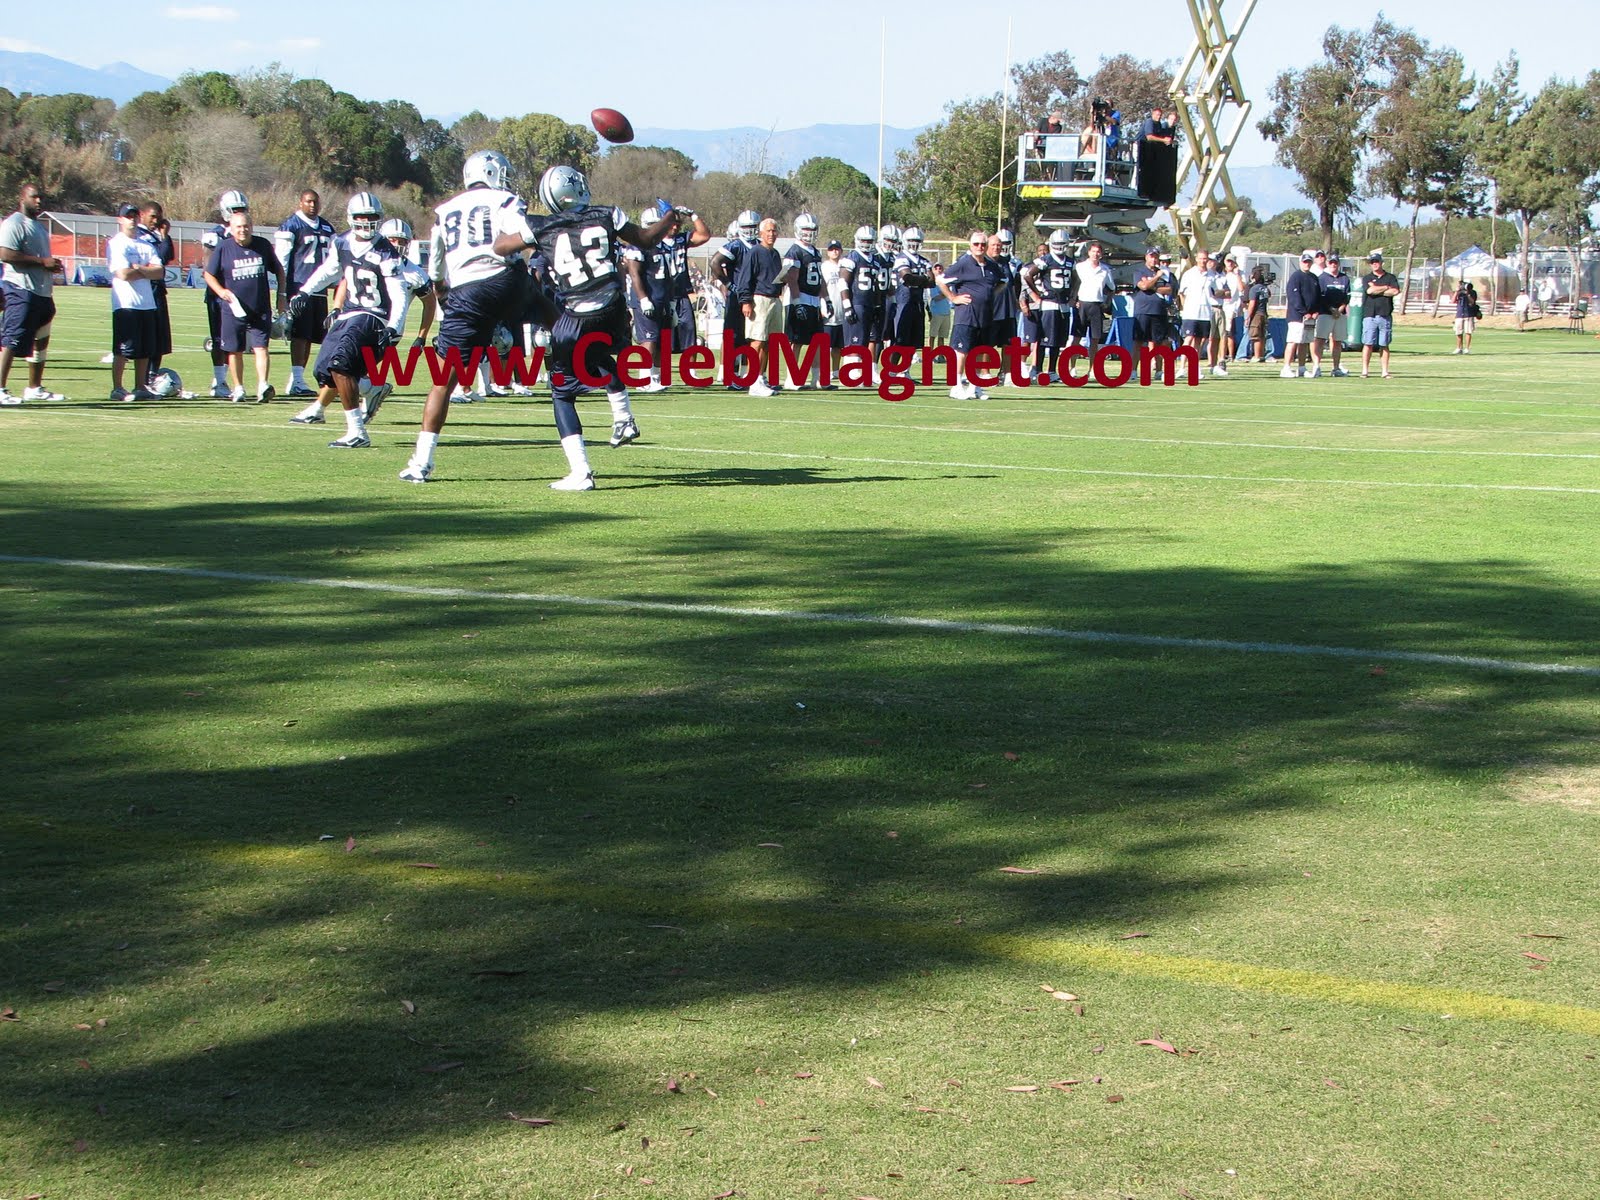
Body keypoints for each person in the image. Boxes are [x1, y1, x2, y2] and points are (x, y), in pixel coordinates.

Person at [492, 163, 682, 489]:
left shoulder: (540, 225)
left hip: (578, 313)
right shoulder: (607, 214)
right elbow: (647, 238)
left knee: (561, 393)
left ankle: (581, 472)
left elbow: (500, 247)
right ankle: (623, 418)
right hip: (613, 308)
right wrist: (670, 217)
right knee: (597, 356)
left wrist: (506, 223)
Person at [278, 192, 431, 448]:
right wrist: (305, 291)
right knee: (324, 371)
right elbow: (329, 271)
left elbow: (398, 294)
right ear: (351, 217)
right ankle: (370, 387)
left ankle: (357, 431)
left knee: (341, 366)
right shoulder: (342, 242)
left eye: (371, 217)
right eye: (361, 216)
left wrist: (393, 326)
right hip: (349, 313)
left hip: (373, 316)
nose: (366, 222)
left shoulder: (386, 251)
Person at [202, 210, 285, 403]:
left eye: (246, 226)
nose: (243, 230)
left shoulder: (262, 245)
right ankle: (238, 387)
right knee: (235, 350)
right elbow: (208, 274)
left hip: (259, 306)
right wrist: (221, 291)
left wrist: (281, 296)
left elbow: (279, 270)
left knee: (261, 347)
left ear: (252, 227)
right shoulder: (223, 248)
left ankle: (263, 385)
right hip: (233, 308)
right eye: (238, 226)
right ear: (231, 229)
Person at [0, 182, 65, 405]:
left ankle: (34, 388)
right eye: (34, 197)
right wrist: (42, 262)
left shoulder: (38, 226)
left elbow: (42, 260)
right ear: (22, 198)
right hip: (21, 289)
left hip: (42, 292)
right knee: (11, 338)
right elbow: (6, 254)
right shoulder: (14, 223)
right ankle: (0, 388)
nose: (38, 201)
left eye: (41, 198)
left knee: (41, 339)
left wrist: (51, 265)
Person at [275, 189, 337, 397]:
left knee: (311, 336)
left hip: (319, 289)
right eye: (309, 201)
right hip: (299, 287)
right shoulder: (291, 225)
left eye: (315, 202)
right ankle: (296, 379)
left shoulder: (327, 227)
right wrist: (282, 292)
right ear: (300, 202)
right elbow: (282, 261)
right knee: (300, 334)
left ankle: (298, 379)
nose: (312, 205)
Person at [106, 203, 165, 401]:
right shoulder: (117, 243)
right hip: (125, 304)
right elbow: (123, 274)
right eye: (127, 216)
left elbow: (160, 272)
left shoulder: (146, 244)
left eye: (134, 216)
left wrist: (138, 268)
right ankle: (117, 388)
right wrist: (146, 270)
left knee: (145, 350)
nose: (131, 220)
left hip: (146, 303)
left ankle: (140, 386)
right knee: (123, 349)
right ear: (120, 220)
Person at [199, 190, 251, 396]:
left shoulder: (245, 234)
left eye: (241, 209)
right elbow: (208, 267)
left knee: (236, 340)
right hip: (218, 294)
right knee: (219, 338)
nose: (238, 213)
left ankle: (231, 381)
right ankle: (219, 380)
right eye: (235, 209)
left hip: (240, 293)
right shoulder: (215, 235)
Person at [933, 230, 996, 400]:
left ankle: (974, 387)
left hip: (985, 315)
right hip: (966, 315)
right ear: (970, 245)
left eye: (983, 244)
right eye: (976, 244)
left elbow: (1002, 282)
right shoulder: (963, 264)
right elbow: (940, 280)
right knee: (961, 351)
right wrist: (953, 298)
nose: (979, 247)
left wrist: (988, 296)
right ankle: (956, 386)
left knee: (979, 351)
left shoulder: (991, 266)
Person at [734, 217, 786, 396]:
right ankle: (753, 380)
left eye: (774, 231)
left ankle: (761, 377)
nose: (771, 234)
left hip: (774, 299)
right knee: (757, 340)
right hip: (759, 300)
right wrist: (745, 301)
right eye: (768, 231)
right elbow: (745, 278)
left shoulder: (775, 254)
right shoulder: (755, 252)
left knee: (769, 342)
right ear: (761, 233)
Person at [1021, 230, 1076, 380]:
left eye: (1062, 243)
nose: (1059, 246)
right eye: (1057, 243)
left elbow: (1077, 279)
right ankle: (1037, 369)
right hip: (1049, 304)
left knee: (1057, 341)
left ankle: (1052, 370)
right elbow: (1028, 275)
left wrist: (1073, 296)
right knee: (1044, 339)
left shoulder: (1070, 261)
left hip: (1063, 304)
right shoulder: (1046, 260)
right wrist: (1037, 293)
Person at [782, 213, 827, 387]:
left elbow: (820, 278)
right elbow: (792, 278)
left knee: (817, 341)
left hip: (814, 299)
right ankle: (792, 378)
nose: (809, 233)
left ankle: (816, 378)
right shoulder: (794, 251)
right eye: (806, 229)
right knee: (797, 341)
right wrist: (796, 302)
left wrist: (826, 299)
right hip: (800, 298)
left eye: (812, 229)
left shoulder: (815, 251)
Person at [136, 201, 174, 378]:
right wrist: (163, 238)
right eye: (152, 216)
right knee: (149, 335)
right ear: (142, 215)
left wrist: (165, 236)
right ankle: (145, 377)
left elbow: (169, 255)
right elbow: (161, 257)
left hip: (158, 289)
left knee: (160, 336)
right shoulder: (139, 235)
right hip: (146, 290)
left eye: (158, 217)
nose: (156, 221)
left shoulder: (156, 235)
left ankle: (152, 374)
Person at [839, 224, 884, 373]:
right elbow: (843, 282)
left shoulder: (875, 260)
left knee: (863, 341)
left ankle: (858, 372)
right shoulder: (852, 257)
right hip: (856, 303)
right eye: (863, 240)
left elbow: (876, 286)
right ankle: (851, 373)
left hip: (869, 304)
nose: (866, 243)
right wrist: (847, 306)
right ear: (857, 240)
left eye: (869, 241)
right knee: (854, 341)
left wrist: (877, 306)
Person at [889, 226, 936, 359]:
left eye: (917, 241)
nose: (914, 244)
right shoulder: (901, 258)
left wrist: (917, 280)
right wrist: (923, 279)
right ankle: (891, 369)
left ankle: (905, 369)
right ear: (905, 241)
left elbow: (932, 282)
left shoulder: (923, 260)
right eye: (911, 241)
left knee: (913, 343)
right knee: (900, 341)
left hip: (917, 303)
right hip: (903, 302)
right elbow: (908, 278)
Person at [1131, 246, 1172, 375]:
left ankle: (1158, 371)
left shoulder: (1164, 273)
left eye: (1156, 257)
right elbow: (1143, 286)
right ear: (1146, 257)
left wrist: (1152, 286)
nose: (1153, 259)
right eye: (1151, 256)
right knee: (1138, 342)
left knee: (1158, 342)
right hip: (1143, 310)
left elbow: (1169, 289)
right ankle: (1133, 370)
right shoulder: (1139, 271)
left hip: (1159, 310)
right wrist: (1155, 278)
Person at [1177, 250, 1219, 375]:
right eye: (1201, 258)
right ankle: (1181, 368)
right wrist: (1185, 308)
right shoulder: (1189, 274)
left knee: (1199, 342)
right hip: (1191, 312)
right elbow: (1181, 293)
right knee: (1188, 339)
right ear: (1196, 259)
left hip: (1205, 312)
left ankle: (1194, 367)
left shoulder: (1212, 275)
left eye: (1205, 258)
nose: (1203, 261)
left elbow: (1216, 291)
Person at [1281, 250, 1321, 378]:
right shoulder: (1296, 277)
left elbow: (1317, 297)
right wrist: (1304, 312)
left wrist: (1316, 311)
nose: (1306, 264)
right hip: (1296, 317)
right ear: (1300, 263)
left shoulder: (1314, 278)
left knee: (1304, 342)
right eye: (1304, 262)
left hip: (1310, 317)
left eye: (1309, 262)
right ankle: (1286, 368)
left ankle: (1302, 368)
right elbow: (1294, 297)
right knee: (1293, 341)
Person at [1360, 251, 1400, 378]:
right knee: (1368, 343)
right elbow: (1370, 291)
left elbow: (1395, 291)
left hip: (1385, 314)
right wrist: (1386, 288)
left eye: (1376, 261)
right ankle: (1365, 371)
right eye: (1372, 262)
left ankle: (1385, 371)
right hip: (1370, 314)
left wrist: (1379, 288)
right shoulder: (1367, 278)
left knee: (1384, 344)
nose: (1374, 264)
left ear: (1381, 262)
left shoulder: (1390, 277)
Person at [1073, 242, 1115, 355]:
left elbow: (1112, 288)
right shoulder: (1080, 267)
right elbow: (1074, 285)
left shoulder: (1105, 270)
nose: (1095, 254)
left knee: (1095, 339)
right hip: (1082, 305)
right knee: (1077, 337)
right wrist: (1074, 300)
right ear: (1089, 252)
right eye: (1093, 251)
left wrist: (1107, 303)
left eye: (1098, 252)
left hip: (1096, 306)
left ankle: (1093, 365)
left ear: (1101, 254)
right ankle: (1071, 364)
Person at [819, 239, 848, 382]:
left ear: (841, 251)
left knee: (838, 346)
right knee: (825, 345)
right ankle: (824, 371)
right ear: (827, 252)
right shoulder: (824, 267)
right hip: (828, 309)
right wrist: (822, 306)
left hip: (842, 310)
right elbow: (821, 286)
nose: (834, 252)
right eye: (832, 249)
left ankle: (835, 371)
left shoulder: (845, 266)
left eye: (837, 249)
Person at [1318, 255, 1352, 375]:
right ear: (1327, 263)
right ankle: (1317, 367)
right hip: (1325, 313)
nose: (1333, 265)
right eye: (1331, 262)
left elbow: (1347, 296)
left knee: (1337, 341)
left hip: (1340, 314)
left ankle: (1336, 368)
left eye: (1335, 263)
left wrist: (1340, 309)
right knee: (1320, 340)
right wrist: (1332, 309)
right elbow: (1321, 297)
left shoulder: (1344, 278)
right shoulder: (1322, 278)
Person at [988, 229, 1019, 351]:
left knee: (1009, 344)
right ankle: (984, 366)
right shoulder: (985, 261)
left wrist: (1017, 301)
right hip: (991, 310)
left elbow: (1013, 285)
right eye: (994, 245)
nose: (998, 247)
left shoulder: (1009, 262)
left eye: (1000, 245)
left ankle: (1006, 368)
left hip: (1008, 310)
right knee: (987, 345)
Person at [1244, 265, 1271, 362]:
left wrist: (1248, 317)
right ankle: (1261, 355)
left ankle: (1256, 356)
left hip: (1256, 314)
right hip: (1264, 313)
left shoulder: (1254, 289)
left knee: (1255, 336)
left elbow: (1252, 303)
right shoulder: (1265, 288)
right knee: (1262, 335)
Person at [1222, 255, 1245, 362]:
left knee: (1229, 332)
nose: (1230, 264)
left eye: (1232, 262)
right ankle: (1221, 355)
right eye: (1228, 261)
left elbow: (1241, 288)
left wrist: (1237, 275)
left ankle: (1230, 355)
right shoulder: (1221, 273)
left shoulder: (1239, 274)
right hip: (1221, 305)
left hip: (1231, 307)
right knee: (1221, 332)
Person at [1453, 279, 1478, 353]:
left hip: (1469, 314)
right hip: (1459, 313)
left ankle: (1467, 349)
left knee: (1468, 331)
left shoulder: (1473, 292)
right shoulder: (1459, 292)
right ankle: (1459, 348)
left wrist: (1467, 294)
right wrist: (1456, 292)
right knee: (1458, 332)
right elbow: (1453, 301)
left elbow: (1472, 302)